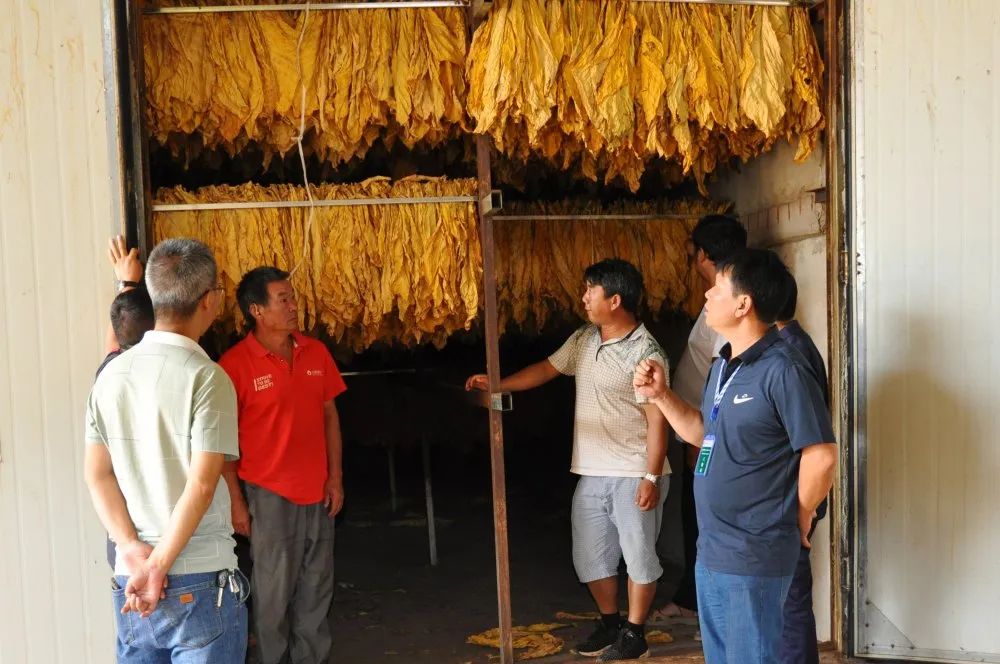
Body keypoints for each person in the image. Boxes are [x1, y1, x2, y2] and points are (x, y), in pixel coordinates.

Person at [634, 249, 837, 663]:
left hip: (756, 553)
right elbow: (704, 432)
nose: (707, 295)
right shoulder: (724, 366)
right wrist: (662, 396)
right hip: (714, 552)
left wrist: (800, 516)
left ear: (744, 304)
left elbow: (821, 455)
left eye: (718, 288)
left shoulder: (784, 369)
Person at [466, 258, 670, 662]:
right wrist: (499, 385)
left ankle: (635, 634)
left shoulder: (647, 353)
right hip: (592, 471)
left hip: (633, 471)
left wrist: (650, 475)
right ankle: (611, 624)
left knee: (639, 557)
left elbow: (658, 419)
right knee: (590, 557)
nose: (583, 298)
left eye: (589, 291)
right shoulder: (584, 339)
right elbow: (548, 368)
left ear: (614, 300)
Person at [83, 238, 248, 663]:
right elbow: (202, 483)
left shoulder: (110, 376)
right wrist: (158, 567)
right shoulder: (207, 378)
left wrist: (131, 548)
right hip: (199, 577)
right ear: (209, 300)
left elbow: (97, 474)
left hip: (131, 579)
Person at [218, 266, 347, 664]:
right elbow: (222, 445)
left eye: (293, 297)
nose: (293, 306)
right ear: (257, 310)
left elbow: (330, 415)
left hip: (317, 490)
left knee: (316, 586)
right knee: (273, 592)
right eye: (283, 299)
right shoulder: (234, 365)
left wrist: (336, 478)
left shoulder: (316, 352)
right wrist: (237, 502)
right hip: (268, 493)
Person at [653, 215, 747, 623]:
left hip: (704, 437)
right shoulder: (719, 297)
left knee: (700, 522)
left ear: (702, 255)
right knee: (695, 521)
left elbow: (721, 379)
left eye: (693, 253)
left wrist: (699, 448)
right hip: (694, 430)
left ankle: (701, 606)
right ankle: (693, 600)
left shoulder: (728, 304)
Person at [775, 275, 830, 664]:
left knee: (791, 606)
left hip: (794, 500)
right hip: (790, 499)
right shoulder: (789, 345)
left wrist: (802, 510)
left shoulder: (791, 355)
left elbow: (817, 450)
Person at [97, 236, 155, 570]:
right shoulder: (171, 372)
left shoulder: (111, 374)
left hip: (125, 532)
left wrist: (127, 283)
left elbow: (113, 346)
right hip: (160, 525)